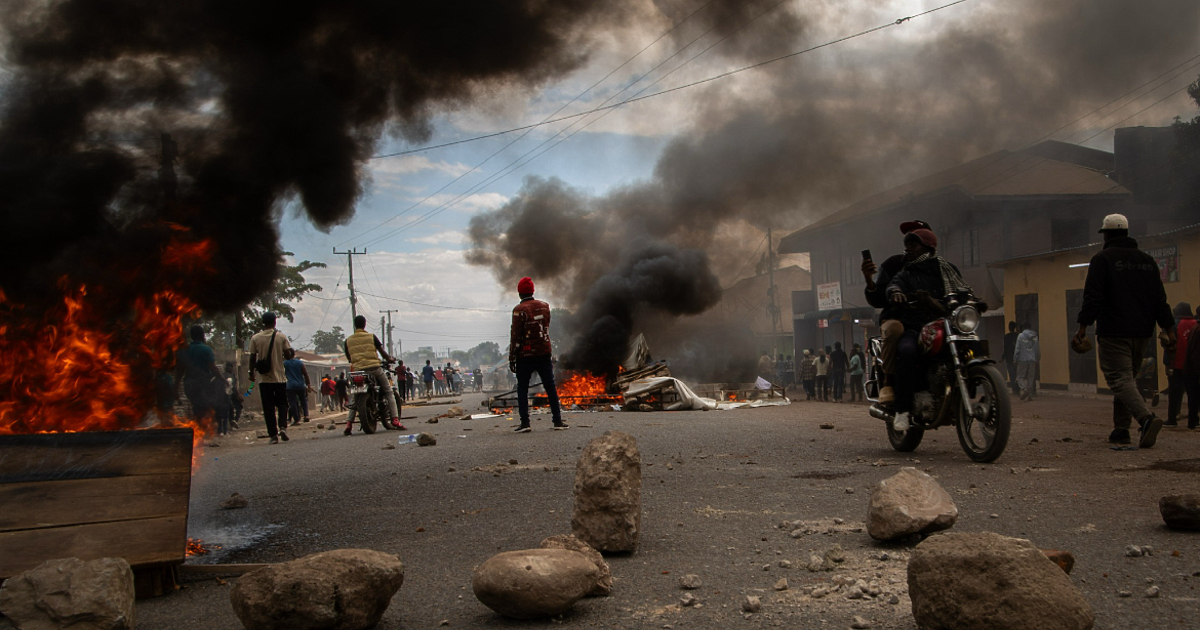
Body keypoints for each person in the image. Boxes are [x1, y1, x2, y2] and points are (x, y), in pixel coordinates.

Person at [1074, 213, 1174, 448]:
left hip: (1114, 331)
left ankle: (1146, 419)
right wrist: (1169, 329)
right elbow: (1160, 299)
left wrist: (1082, 327)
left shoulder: (1102, 259)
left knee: (1119, 379)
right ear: (1127, 233)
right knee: (1128, 380)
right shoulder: (1148, 261)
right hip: (1142, 332)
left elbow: (1093, 297)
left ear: (1106, 235)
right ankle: (1121, 429)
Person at [887, 228, 972, 430]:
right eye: (906, 246)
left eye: (913, 245)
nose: (908, 250)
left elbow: (962, 290)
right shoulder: (906, 273)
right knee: (907, 352)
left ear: (928, 247)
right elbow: (894, 285)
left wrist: (974, 300)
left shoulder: (948, 269)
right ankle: (902, 410)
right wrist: (896, 292)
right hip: (916, 326)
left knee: (973, 346)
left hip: (949, 324)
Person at [862, 220, 932, 404]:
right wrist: (869, 280)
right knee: (894, 330)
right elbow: (879, 298)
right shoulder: (894, 266)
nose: (910, 244)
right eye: (908, 238)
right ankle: (889, 383)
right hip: (899, 319)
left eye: (916, 238)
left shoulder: (941, 268)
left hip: (930, 320)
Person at [510, 276, 567, 432]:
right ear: (532, 291)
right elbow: (545, 327)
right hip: (544, 352)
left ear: (520, 293)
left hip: (525, 355)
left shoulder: (518, 310)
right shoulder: (545, 306)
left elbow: (515, 336)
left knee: (522, 388)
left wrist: (512, 358)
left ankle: (525, 423)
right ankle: (557, 421)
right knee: (550, 386)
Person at [342, 315, 403, 435]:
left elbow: (349, 358)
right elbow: (383, 353)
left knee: (355, 397)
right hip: (374, 369)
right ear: (365, 324)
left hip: (358, 371)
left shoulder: (348, 340)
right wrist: (390, 359)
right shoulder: (371, 337)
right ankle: (395, 419)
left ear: (355, 325)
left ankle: (349, 423)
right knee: (388, 391)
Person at [248, 312, 292, 444]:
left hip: (264, 379)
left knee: (268, 407)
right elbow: (289, 355)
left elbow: (252, 357)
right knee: (283, 404)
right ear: (274, 322)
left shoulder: (255, 338)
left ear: (263, 323)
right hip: (279, 378)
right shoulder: (281, 337)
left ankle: (273, 435)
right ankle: (283, 426)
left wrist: (251, 374)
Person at [175, 325, 225, 433]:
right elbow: (213, 368)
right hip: (203, 384)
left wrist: (175, 388)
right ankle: (204, 431)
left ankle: (199, 431)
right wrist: (222, 379)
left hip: (188, 385)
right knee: (206, 407)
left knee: (197, 406)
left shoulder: (183, 351)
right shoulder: (206, 350)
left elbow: (179, 372)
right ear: (202, 336)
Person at [1166, 302, 1198, 428]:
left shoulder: (1175, 324)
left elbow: (1170, 345)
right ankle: (1194, 419)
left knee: (1174, 393)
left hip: (1178, 364)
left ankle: (1172, 418)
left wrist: (1167, 363)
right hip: (1192, 365)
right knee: (1193, 394)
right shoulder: (1196, 324)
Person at [283, 348, 311, 426]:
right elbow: (305, 374)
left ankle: (297, 420)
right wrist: (308, 384)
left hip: (290, 386)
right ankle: (306, 415)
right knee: (303, 401)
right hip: (301, 385)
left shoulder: (285, 364)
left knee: (293, 403)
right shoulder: (300, 363)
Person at [1014, 322, 1040, 401]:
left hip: (1022, 360)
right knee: (1031, 378)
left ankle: (1024, 389)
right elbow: (1037, 349)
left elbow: (1017, 349)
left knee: (1019, 377)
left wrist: (1015, 359)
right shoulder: (1035, 337)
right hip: (1032, 360)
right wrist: (1037, 359)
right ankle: (1029, 395)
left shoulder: (1020, 336)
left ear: (1024, 328)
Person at [1003, 321, 1020, 395]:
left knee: (1011, 374)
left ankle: (1014, 389)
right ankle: (1017, 389)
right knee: (1017, 374)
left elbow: (1005, 348)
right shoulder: (1018, 336)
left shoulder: (1006, 336)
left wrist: (1003, 357)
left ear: (1009, 327)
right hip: (1018, 358)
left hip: (1009, 358)